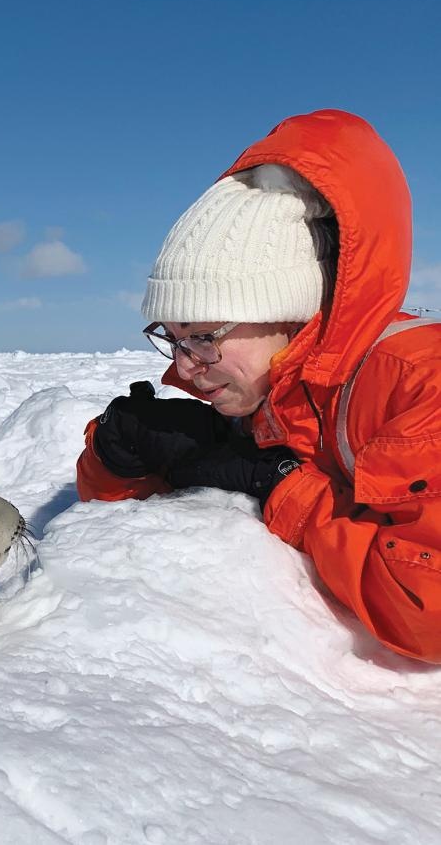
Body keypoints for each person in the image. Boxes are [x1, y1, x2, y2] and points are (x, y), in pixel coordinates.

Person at [76, 109, 441, 663]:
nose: (186, 366)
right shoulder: (266, 394)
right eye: (171, 338)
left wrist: (279, 484)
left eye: (202, 335)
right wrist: (117, 458)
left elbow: (425, 609)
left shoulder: (420, 384)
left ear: (286, 310)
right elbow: (118, 543)